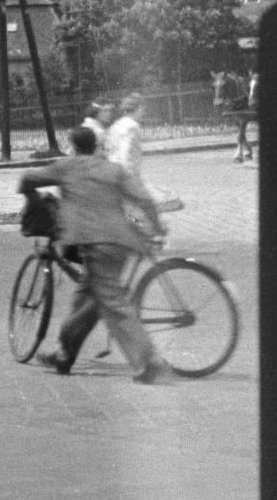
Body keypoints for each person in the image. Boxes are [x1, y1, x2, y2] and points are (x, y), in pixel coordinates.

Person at [19, 125, 172, 384]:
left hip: (96, 244)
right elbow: (145, 199)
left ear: (73, 147)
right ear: (96, 146)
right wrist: (156, 227)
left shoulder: (67, 166)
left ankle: (149, 362)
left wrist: (34, 201)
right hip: (123, 243)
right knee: (86, 298)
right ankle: (64, 354)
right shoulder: (113, 169)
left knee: (113, 304)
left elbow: (26, 179)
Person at [104, 92, 145, 179]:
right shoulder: (133, 126)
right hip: (126, 175)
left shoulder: (115, 125)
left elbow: (108, 149)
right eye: (142, 108)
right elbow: (125, 151)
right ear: (139, 108)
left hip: (112, 171)